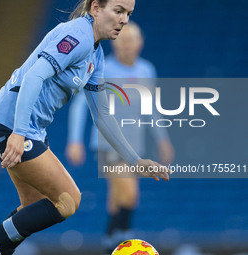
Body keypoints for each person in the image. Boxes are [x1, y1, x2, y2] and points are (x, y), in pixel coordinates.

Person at [0, 1, 170, 254]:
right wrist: (18, 132)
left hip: (27, 128)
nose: (124, 20)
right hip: (11, 124)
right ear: (95, 8)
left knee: (34, 206)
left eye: (128, 14)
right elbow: (34, 76)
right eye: (118, 11)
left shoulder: (96, 54)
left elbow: (102, 115)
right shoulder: (77, 36)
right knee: (68, 200)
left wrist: (135, 161)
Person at [66, 22, 174, 254]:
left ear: (140, 43)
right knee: (130, 196)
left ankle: (110, 248)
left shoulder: (146, 70)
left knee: (117, 201)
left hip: (134, 146)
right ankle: (123, 247)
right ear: (114, 44)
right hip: (108, 143)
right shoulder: (102, 68)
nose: (127, 46)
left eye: (131, 40)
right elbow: (80, 104)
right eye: (122, 41)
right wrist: (75, 140)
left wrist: (162, 139)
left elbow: (151, 108)